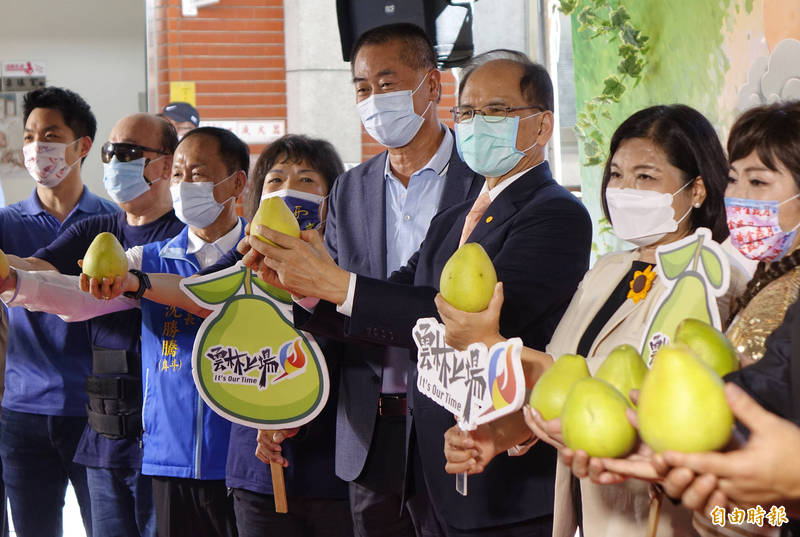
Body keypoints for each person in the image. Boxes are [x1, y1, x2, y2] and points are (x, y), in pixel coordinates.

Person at [244, 49, 592, 536]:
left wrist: (334, 281)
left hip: (501, 477)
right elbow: (393, 304)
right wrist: (303, 287)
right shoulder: (453, 219)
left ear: (542, 125)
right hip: (429, 473)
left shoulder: (555, 213)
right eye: (466, 112)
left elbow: (469, 323)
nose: (475, 124)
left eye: (495, 111)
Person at [440, 104, 743, 537]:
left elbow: (636, 395)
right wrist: (502, 433)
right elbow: (562, 377)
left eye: (645, 176)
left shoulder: (712, 279)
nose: (623, 189)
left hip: (662, 515)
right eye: (616, 174)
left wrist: (494, 344)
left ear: (696, 190)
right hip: (588, 510)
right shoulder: (608, 270)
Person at [240, 23, 484, 537]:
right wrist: (295, 403)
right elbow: (334, 312)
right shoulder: (349, 189)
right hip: (368, 431)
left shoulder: (481, 179)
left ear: (433, 86)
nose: (375, 99)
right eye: (363, 88)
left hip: (459, 426)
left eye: (389, 83)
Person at [2, 126, 248, 537]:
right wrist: (14, 282)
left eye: (200, 174)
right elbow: (80, 295)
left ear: (236, 182)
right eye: (180, 175)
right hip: (168, 459)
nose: (186, 186)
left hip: (243, 461)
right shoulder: (147, 259)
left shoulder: (258, 256)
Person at [0, 86, 118, 537]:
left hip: (98, 411)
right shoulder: (8, 223)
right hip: (23, 410)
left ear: (82, 146)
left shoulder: (112, 222)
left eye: (49, 135)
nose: (35, 148)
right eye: (29, 136)